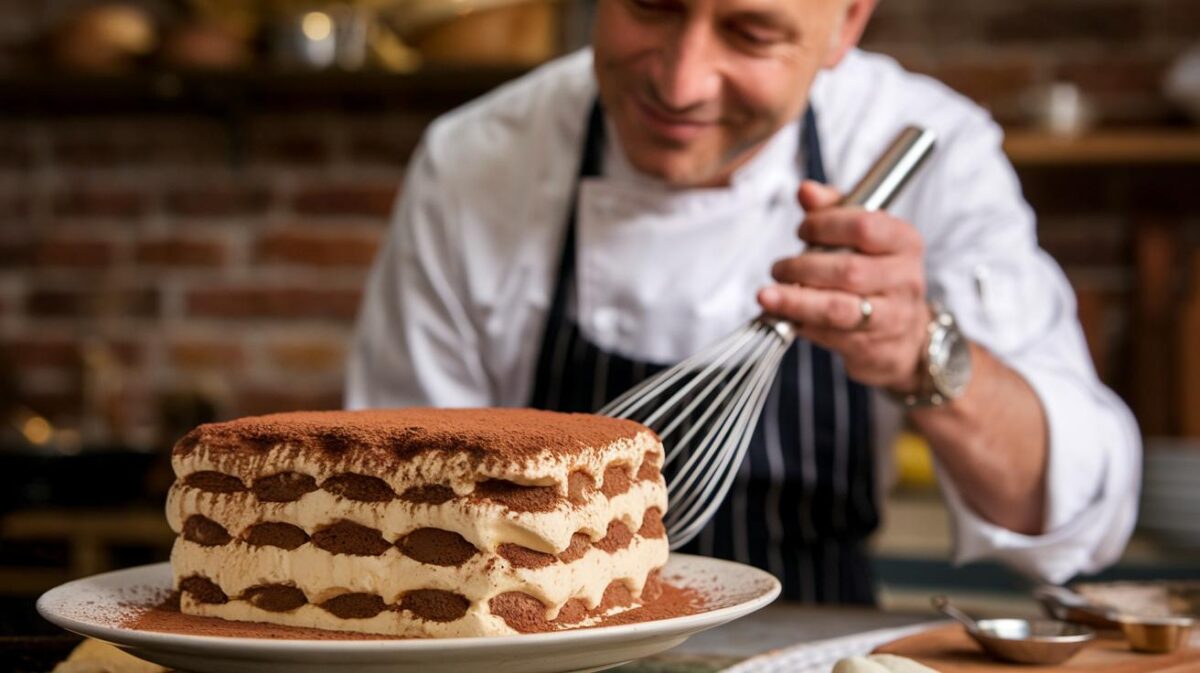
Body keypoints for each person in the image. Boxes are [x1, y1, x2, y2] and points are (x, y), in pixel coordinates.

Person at [346, 0, 1141, 603]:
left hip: (813, 648)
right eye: (653, 4)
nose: (680, 81)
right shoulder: (476, 160)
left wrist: (921, 352)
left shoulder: (934, 147)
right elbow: (397, 507)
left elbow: (1079, 516)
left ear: (845, 24)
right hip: (539, 644)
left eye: (751, 33)